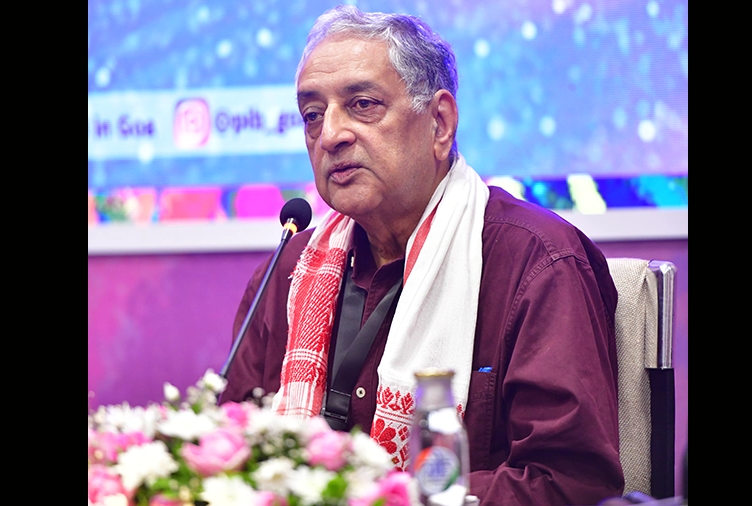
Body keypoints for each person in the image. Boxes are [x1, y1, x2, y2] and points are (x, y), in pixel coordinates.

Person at [221, 5, 624, 505]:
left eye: (362, 104)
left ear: (439, 123)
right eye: (313, 115)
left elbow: (570, 484)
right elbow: (230, 450)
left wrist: (383, 499)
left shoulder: (536, 262)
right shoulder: (290, 269)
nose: (331, 135)